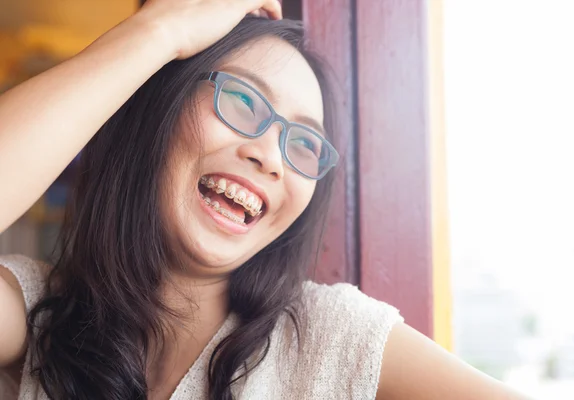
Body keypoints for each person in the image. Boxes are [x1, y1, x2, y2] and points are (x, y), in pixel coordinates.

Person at [0, 1, 530, 399]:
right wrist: (159, 31)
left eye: (303, 144)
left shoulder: (329, 337)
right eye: (242, 101)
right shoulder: (37, 315)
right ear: (159, 114)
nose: (272, 158)